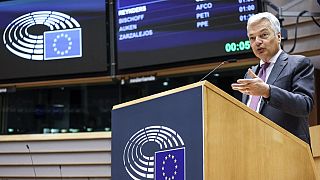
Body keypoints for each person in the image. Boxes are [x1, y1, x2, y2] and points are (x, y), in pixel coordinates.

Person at [231, 12, 315, 145]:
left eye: (264, 35)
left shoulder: (298, 64)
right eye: (252, 38)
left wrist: (267, 91)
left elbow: (304, 105)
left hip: (287, 149)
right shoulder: (250, 74)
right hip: (253, 149)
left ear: (279, 36)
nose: (257, 42)